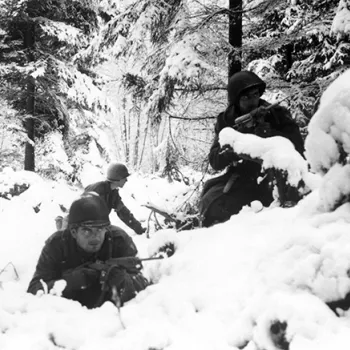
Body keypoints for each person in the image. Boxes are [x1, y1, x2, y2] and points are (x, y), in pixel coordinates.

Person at [199, 70, 305, 227]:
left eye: (255, 94)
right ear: (236, 100)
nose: (252, 101)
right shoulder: (226, 120)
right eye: (245, 97)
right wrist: (237, 144)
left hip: (275, 178)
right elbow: (215, 160)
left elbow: (299, 149)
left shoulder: (277, 114)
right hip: (242, 179)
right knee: (213, 206)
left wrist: (270, 134)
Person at [27, 195, 148, 309]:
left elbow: (143, 282)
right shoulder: (57, 244)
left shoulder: (119, 240)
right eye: (87, 231)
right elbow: (35, 290)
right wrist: (71, 282)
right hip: (67, 317)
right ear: (74, 232)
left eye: (100, 229)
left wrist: (123, 281)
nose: (95, 237)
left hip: (112, 316)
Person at [84, 162, 146, 235]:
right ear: (117, 179)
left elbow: (123, 212)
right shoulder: (98, 190)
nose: (126, 180)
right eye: (124, 178)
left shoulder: (113, 193)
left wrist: (138, 229)